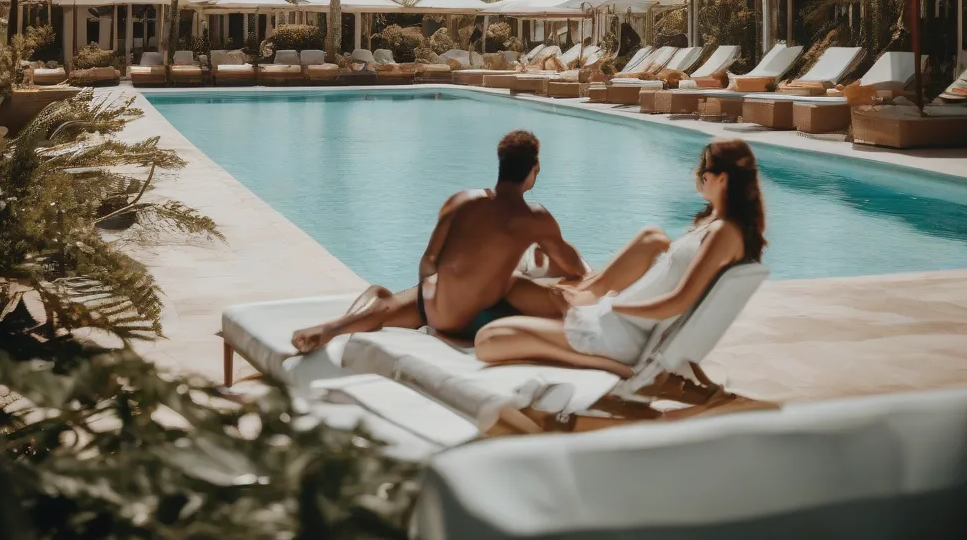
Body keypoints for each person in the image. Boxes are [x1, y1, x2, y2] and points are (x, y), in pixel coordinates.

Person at [474, 139, 767, 375]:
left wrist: (621, 308)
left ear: (723, 179)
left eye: (704, 170)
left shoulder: (723, 233)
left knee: (487, 341)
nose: (698, 175)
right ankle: (587, 304)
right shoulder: (719, 228)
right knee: (496, 330)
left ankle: (608, 367)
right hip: (614, 318)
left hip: (619, 332)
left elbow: (679, 301)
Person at [290, 130, 587, 353]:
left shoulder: (461, 201)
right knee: (533, 291)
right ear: (533, 170)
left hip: (433, 302)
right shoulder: (535, 218)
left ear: (501, 165)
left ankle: (333, 329)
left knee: (381, 294)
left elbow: (428, 261)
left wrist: (440, 292)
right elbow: (573, 269)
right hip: (471, 321)